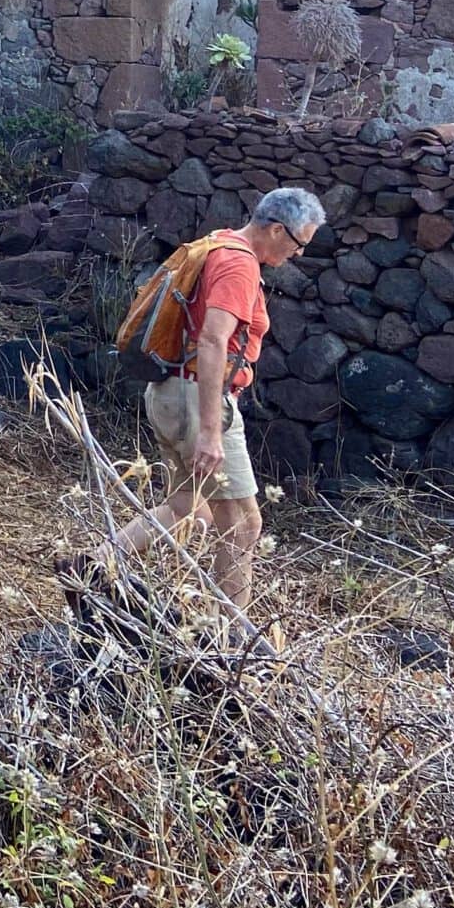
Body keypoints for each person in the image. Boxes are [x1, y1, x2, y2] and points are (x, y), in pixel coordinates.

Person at [106, 186, 326, 617]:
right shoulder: (239, 265)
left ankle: (97, 563)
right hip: (198, 399)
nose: (298, 255)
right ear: (277, 230)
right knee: (244, 525)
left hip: (170, 391)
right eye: (299, 244)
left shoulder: (218, 243)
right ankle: (227, 641)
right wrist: (211, 430)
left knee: (190, 510)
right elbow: (212, 340)